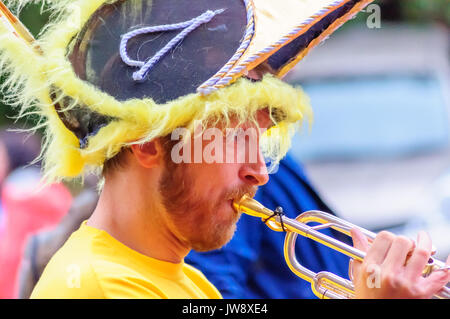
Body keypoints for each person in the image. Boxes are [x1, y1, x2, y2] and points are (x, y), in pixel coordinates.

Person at [0, 0, 448, 299]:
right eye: (232, 138)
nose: (260, 172)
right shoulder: (100, 285)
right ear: (148, 143)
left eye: (259, 139)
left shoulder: (182, 277)